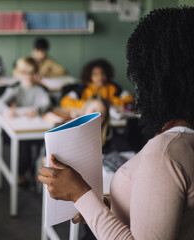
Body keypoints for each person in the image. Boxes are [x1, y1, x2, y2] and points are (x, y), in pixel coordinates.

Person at [39, 7, 194, 239]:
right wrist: (97, 204)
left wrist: (80, 194)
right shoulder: (185, 138)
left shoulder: (164, 154)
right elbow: (158, 212)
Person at [0, 56, 51, 185]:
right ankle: (20, 173)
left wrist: (36, 110)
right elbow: (0, 102)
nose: (28, 76)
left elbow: (46, 102)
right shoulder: (15, 88)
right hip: (17, 129)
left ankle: (33, 172)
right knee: (24, 148)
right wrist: (7, 110)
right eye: (25, 73)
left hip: (36, 129)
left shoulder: (40, 89)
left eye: (32, 73)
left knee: (42, 146)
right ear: (19, 73)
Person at [60, 58, 133, 109]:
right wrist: (88, 104)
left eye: (103, 73)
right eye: (95, 74)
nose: (100, 77)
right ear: (90, 76)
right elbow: (65, 101)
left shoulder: (113, 86)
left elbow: (130, 99)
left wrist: (111, 102)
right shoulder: (83, 87)